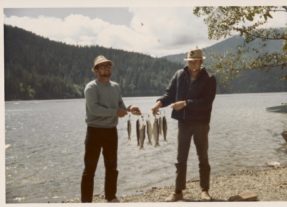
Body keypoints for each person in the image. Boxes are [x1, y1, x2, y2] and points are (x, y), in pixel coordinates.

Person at [151, 48, 216, 202]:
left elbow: (207, 103)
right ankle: (178, 191)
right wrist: (158, 103)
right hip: (184, 123)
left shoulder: (210, 78)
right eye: (190, 61)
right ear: (187, 61)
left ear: (201, 61)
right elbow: (169, 94)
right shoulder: (179, 75)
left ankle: (204, 190)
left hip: (201, 123)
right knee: (181, 158)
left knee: (203, 157)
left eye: (196, 61)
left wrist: (185, 103)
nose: (193, 64)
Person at [81, 55, 141, 203]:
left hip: (110, 132)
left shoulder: (115, 86)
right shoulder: (91, 87)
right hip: (94, 131)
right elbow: (94, 109)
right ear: (96, 70)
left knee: (112, 167)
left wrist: (130, 108)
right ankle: (86, 201)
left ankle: (111, 197)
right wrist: (115, 112)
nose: (106, 68)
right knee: (90, 169)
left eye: (108, 66)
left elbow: (121, 105)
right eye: (102, 66)